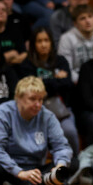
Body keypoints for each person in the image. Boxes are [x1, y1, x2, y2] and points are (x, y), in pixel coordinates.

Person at [0, 76, 76, 185]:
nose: (38, 104)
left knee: (71, 163)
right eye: (32, 99)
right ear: (18, 98)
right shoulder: (2, 114)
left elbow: (62, 147)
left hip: (34, 173)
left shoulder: (47, 116)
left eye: (40, 99)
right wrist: (19, 172)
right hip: (8, 170)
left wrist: (59, 166)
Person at [18, 26, 79, 155]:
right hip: (36, 111)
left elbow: (68, 85)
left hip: (62, 110)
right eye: (39, 41)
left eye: (46, 40)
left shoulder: (61, 61)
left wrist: (42, 83)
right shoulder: (27, 64)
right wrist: (56, 79)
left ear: (51, 42)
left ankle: (75, 163)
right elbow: (31, 90)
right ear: (33, 44)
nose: (43, 45)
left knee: (70, 131)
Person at [57, 4, 93, 83]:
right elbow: (66, 68)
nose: (87, 21)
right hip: (76, 81)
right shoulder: (66, 39)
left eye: (90, 17)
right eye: (82, 18)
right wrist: (83, 82)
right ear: (75, 23)